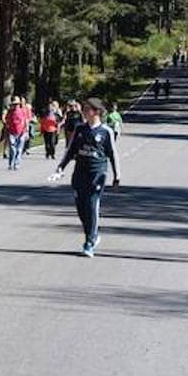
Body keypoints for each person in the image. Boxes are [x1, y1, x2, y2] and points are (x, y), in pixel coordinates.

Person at [49, 97, 120, 257]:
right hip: (79, 174)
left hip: (97, 174)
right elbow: (71, 151)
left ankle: (89, 242)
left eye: (87, 109)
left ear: (96, 112)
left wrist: (117, 177)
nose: (84, 111)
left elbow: (113, 155)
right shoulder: (80, 129)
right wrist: (60, 168)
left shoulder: (106, 131)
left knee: (92, 205)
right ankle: (92, 235)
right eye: (84, 108)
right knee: (81, 208)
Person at [2, 96, 28, 170]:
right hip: (12, 133)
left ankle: (17, 164)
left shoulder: (23, 111)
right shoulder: (10, 111)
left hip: (21, 132)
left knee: (19, 149)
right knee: (12, 149)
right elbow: (6, 120)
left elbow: (26, 121)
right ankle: (11, 163)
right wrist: (7, 126)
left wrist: (27, 132)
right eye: (14, 104)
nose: (16, 105)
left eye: (17, 104)